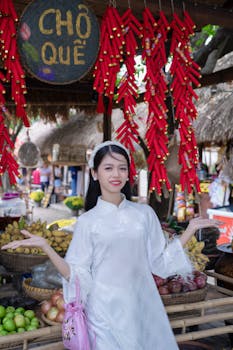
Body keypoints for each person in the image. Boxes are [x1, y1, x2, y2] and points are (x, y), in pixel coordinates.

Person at [1, 141, 221, 350]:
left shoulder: (144, 214)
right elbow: (77, 273)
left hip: (141, 306)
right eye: (108, 168)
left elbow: (160, 263)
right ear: (95, 174)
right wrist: (46, 247)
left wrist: (189, 230)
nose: (116, 174)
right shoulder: (88, 222)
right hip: (103, 312)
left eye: (122, 168)